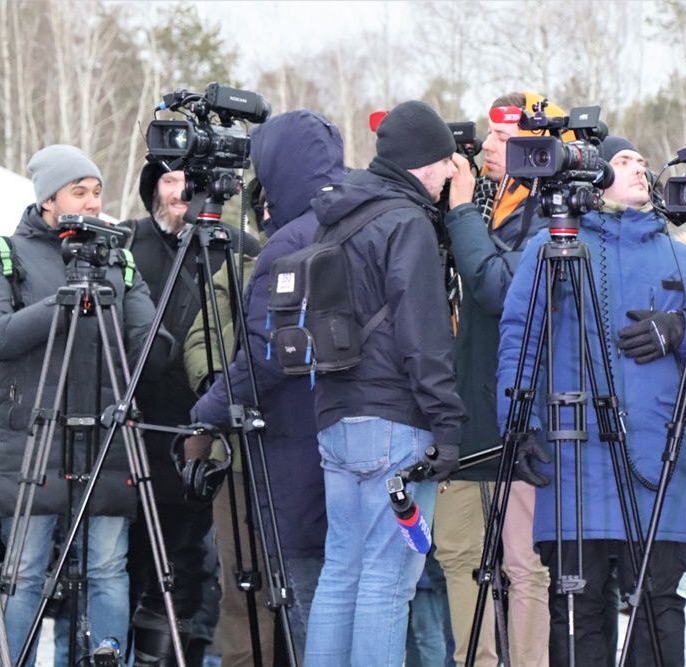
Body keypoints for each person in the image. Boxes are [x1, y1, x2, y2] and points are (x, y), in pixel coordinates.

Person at [497, 135, 686, 666]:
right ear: (593, 176)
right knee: (577, 614)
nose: (638, 166)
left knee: (658, 613)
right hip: (576, 471)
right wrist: (514, 424)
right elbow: (520, 335)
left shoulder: (676, 254)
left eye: (642, 159)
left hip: (656, 471)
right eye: (622, 160)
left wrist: (681, 329)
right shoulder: (554, 245)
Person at [0, 145, 158, 664]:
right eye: (79, 191)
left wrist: (154, 337)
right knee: (27, 570)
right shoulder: (3, 253)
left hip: (106, 436)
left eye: (97, 191)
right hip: (33, 439)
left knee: (106, 566)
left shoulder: (118, 258)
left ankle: (105, 656)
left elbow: (147, 339)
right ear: (49, 201)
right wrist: (64, 300)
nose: (93, 202)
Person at [303, 99, 467, 667]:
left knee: (341, 570)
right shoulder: (407, 223)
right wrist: (447, 423)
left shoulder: (338, 216)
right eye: (448, 163)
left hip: (334, 417)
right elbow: (422, 333)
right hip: (395, 423)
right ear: (425, 163)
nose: (453, 174)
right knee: (388, 580)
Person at [187, 109, 344, 663]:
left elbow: (264, 357)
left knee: (310, 607)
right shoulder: (368, 225)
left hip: (294, 455)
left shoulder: (282, 247)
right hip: (355, 448)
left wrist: (206, 412)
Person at [436, 90, 557, 667]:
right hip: (467, 399)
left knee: (522, 561)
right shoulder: (492, 199)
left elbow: (496, 286)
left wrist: (460, 210)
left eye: (504, 138)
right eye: (489, 134)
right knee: (458, 554)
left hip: (519, 407)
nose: (487, 146)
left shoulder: (551, 211)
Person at [123, 159, 260, 663]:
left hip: (216, 433)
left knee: (204, 569)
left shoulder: (240, 251)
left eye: (191, 181)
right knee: (133, 561)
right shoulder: (127, 245)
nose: (183, 192)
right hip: (139, 434)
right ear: (152, 190)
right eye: (170, 180)